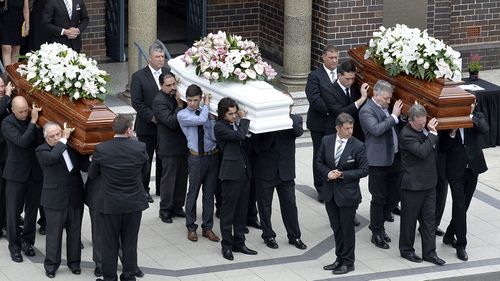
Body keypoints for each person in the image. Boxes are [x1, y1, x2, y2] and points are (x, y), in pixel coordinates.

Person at [88, 114, 149, 281]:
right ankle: (129, 276)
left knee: (109, 243)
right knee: (130, 242)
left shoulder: (102, 149)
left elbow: (92, 175)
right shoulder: (140, 148)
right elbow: (145, 172)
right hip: (133, 203)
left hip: (110, 204)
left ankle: (109, 277)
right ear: (129, 130)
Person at [316, 113, 368, 275]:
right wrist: (328, 173)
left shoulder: (358, 145)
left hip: (348, 195)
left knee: (347, 229)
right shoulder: (327, 141)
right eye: (346, 128)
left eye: (351, 127)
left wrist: (343, 175)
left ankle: (348, 262)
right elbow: (319, 162)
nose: (350, 131)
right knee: (336, 228)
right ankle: (339, 258)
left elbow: (364, 170)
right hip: (330, 193)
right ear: (337, 128)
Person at [253, 95, 307, 250]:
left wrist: (285, 117)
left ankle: (294, 236)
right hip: (265, 171)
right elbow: (258, 146)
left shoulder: (294, 119)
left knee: (290, 204)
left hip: (286, 172)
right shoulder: (264, 122)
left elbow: (297, 132)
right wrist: (273, 124)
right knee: (265, 206)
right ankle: (268, 235)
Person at [35, 121, 88, 278]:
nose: (57, 137)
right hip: (55, 199)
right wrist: (64, 139)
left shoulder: (70, 146)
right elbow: (52, 158)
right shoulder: (42, 150)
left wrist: (92, 155)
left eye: (59, 133)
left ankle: (74, 263)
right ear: (46, 138)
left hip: (75, 195)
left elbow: (83, 165)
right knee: (54, 234)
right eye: (53, 136)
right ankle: (51, 265)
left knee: (75, 232)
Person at [398, 103, 445, 266]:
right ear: (410, 121)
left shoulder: (425, 128)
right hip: (412, 186)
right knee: (409, 221)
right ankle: (406, 250)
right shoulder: (406, 134)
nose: (422, 125)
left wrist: (429, 131)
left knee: (429, 221)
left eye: (424, 122)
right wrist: (432, 133)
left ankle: (430, 253)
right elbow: (422, 151)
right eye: (419, 124)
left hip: (429, 184)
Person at [441, 102, 488, 261]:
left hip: (473, 168)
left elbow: (484, 128)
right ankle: (461, 244)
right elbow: (442, 147)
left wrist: (469, 116)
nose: (471, 106)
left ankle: (449, 235)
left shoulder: (477, 117)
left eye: (472, 104)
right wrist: (452, 133)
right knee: (459, 205)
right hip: (455, 171)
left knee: (464, 206)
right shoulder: (448, 120)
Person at [358, 80, 403, 249]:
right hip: (377, 161)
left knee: (395, 195)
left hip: (394, 157)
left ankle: (378, 223)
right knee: (379, 198)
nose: (389, 102)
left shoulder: (389, 108)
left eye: (390, 98)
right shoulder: (366, 111)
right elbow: (376, 130)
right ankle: (377, 232)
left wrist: (398, 115)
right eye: (386, 98)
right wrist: (394, 116)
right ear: (375, 95)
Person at [214, 97, 257, 261]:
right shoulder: (219, 127)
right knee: (228, 212)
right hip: (230, 174)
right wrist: (243, 119)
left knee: (241, 211)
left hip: (244, 173)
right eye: (230, 114)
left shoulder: (236, 124)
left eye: (234, 113)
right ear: (223, 114)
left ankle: (239, 242)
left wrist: (241, 122)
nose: (233, 116)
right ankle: (226, 245)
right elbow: (239, 137)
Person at [2, 96, 43, 262]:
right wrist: (33, 122)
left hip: (34, 172)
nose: (25, 114)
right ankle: (14, 247)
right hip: (15, 173)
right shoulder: (7, 123)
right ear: (12, 110)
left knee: (32, 211)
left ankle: (28, 242)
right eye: (21, 111)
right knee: (13, 212)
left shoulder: (31, 118)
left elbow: (39, 142)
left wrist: (38, 126)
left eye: (26, 110)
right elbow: (22, 142)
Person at [176, 84, 220, 242]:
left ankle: (207, 228)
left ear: (200, 98)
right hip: (196, 158)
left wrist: (213, 119)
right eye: (189, 100)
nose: (192, 103)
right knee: (193, 192)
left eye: (195, 100)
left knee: (209, 194)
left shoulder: (207, 113)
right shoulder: (183, 115)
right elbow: (200, 120)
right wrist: (207, 105)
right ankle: (191, 227)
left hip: (212, 156)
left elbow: (214, 136)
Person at [130, 42, 168, 201]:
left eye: (163, 57)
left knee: (163, 158)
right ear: (150, 58)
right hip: (147, 126)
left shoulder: (168, 73)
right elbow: (137, 102)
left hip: (166, 126)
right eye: (157, 57)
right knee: (145, 159)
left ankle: (161, 188)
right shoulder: (138, 76)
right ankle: (144, 189)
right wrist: (153, 117)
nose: (161, 60)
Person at [152, 72, 188, 223]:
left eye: (174, 84)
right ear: (161, 86)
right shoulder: (158, 101)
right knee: (169, 180)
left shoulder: (177, 95)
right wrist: (180, 106)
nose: (172, 87)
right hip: (169, 147)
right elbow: (172, 122)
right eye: (168, 85)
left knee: (182, 179)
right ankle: (165, 209)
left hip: (183, 144)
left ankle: (178, 206)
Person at [305, 45, 339, 202]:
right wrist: (333, 110)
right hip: (320, 123)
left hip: (336, 124)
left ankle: (333, 183)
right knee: (320, 155)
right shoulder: (315, 76)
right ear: (323, 58)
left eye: (336, 58)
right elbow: (314, 98)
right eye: (331, 58)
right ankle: (320, 187)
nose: (334, 61)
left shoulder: (341, 75)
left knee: (334, 155)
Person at [322, 60, 368, 140]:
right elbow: (341, 112)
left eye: (353, 78)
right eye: (347, 79)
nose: (350, 82)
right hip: (337, 134)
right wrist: (362, 99)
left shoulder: (356, 86)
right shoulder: (329, 91)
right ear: (339, 75)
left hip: (356, 133)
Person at [0, 75, 13, 237]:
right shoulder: (5, 100)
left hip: (7, 153)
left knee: (6, 190)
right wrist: (8, 96)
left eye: (3, 86)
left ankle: (5, 219)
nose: (2, 89)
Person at [0, 0, 29, 66]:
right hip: (4, 22)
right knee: (6, 48)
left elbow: (26, 10)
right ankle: (8, 73)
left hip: (18, 23)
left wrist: (27, 26)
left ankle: (13, 72)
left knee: (16, 48)